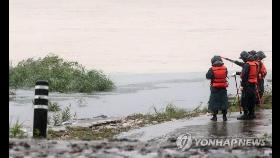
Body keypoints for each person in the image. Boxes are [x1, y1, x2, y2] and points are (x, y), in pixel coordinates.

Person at [236, 52, 258, 120]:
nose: (242, 60)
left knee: (244, 99)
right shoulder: (255, 64)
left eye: (242, 58)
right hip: (253, 84)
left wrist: (242, 85)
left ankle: (245, 114)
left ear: (244, 57)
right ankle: (252, 114)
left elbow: (244, 76)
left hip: (247, 85)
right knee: (252, 99)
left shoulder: (246, 65)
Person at [206, 55, 229, 121]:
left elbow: (208, 76)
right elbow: (226, 75)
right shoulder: (225, 68)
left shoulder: (211, 69)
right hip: (223, 87)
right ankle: (224, 117)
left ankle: (214, 117)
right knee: (224, 101)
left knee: (214, 102)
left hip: (214, 88)